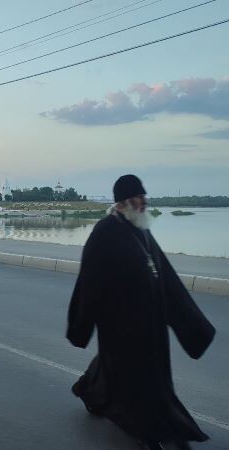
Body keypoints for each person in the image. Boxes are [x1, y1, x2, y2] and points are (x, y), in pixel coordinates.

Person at [67, 175, 215, 449]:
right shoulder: (104, 232)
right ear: (124, 202)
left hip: (150, 324)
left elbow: (164, 274)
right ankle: (145, 430)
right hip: (120, 325)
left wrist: (190, 322)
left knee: (123, 370)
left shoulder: (140, 229)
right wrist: (81, 324)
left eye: (144, 197)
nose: (144, 202)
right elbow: (90, 281)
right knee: (138, 379)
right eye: (139, 197)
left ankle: (89, 390)